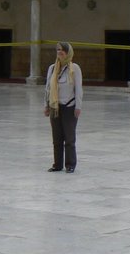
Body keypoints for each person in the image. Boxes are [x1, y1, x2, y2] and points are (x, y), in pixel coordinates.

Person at [43, 41, 83, 173]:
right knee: (57, 138)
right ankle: (57, 164)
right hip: (55, 107)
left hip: (69, 106)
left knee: (69, 138)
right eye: (58, 49)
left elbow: (78, 89)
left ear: (68, 52)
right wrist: (46, 105)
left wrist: (78, 106)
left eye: (63, 50)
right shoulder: (52, 68)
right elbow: (48, 89)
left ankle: (70, 164)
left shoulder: (74, 68)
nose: (60, 52)